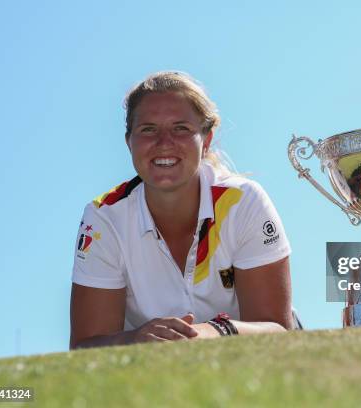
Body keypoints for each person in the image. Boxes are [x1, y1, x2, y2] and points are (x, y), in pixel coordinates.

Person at [70, 72, 295, 349]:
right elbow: (83, 347)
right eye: (148, 129)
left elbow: (278, 331)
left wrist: (215, 331)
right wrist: (136, 339)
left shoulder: (243, 200)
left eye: (181, 128)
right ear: (129, 141)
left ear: (207, 141)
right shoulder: (103, 217)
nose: (164, 142)